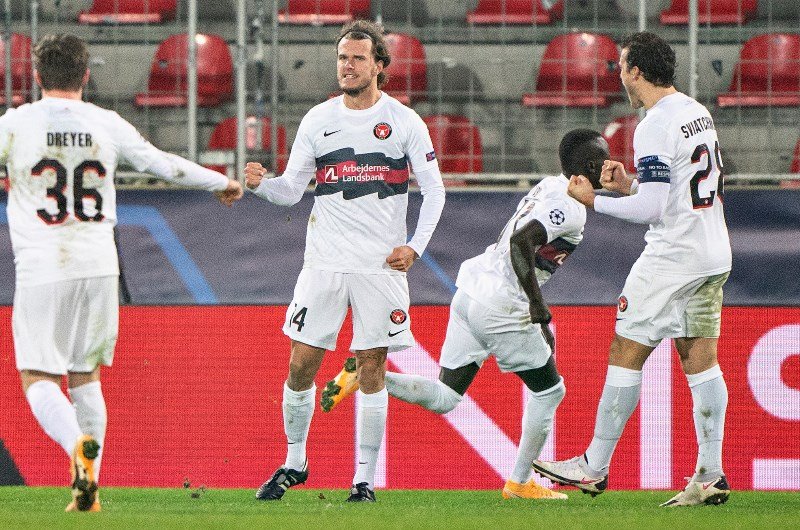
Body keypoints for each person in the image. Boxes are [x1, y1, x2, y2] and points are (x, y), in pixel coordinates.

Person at [0, 34, 243, 512]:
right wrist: (219, 180)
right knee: (85, 375)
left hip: (44, 263)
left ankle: (76, 445)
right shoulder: (105, 122)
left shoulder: (15, 124)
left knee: (38, 375)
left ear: (38, 76)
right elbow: (161, 164)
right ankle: (88, 490)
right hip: (99, 266)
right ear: (86, 75)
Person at [321, 129, 610, 500]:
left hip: (471, 292)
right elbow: (521, 242)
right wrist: (538, 308)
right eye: (605, 160)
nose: (611, 165)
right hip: (502, 304)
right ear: (591, 167)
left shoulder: (550, 185)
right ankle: (519, 482)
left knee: (446, 396)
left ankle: (367, 374)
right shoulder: (570, 209)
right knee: (550, 392)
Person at [244, 19, 445, 503]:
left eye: (357, 58)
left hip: (380, 267)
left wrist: (415, 246)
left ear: (379, 66)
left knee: (370, 369)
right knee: (301, 364)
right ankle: (295, 462)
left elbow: (435, 191)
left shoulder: (405, 121)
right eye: (342, 58)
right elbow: (291, 191)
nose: (347, 66)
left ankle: (364, 480)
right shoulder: (318, 119)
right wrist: (261, 185)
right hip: (324, 263)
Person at [532, 32, 732, 507]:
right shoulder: (695, 111)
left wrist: (594, 200)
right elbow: (674, 190)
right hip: (712, 251)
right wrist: (629, 185)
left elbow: (652, 210)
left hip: (673, 257)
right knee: (700, 359)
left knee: (626, 349)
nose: (619, 76)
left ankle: (593, 466)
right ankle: (711, 475)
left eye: (621, 66)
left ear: (635, 71)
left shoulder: (653, 125)